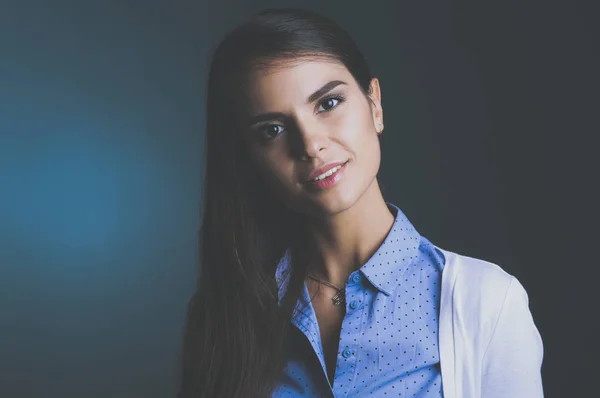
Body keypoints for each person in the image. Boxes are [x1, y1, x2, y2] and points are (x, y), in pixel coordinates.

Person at [178, 7, 544, 398]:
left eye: (328, 103)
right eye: (273, 129)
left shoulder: (485, 302)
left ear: (375, 105)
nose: (310, 144)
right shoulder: (226, 315)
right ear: (248, 157)